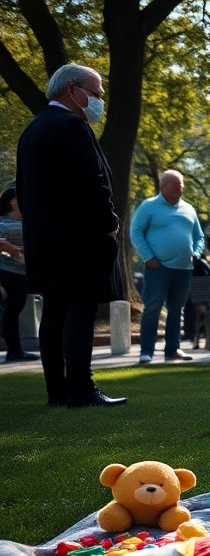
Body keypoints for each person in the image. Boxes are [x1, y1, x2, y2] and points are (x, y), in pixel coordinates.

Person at [17, 64, 125, 406]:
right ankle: (81, 387)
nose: (98, 101)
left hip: (45, 242)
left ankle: (57, 391)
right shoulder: (71, 126)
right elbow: (93, 183)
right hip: (79, 240)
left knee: (54, 313)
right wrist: (108, 222)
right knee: (81, 312)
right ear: (71, 90)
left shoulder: (33, 130)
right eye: (94, 93)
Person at [130, 170, 204, 365]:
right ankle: (146, 351)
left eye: (181, 185)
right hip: (158, 267)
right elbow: (135, 232)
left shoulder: (188, 208)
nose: (180, 188)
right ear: (163, 187)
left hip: (184, 268)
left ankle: (172, 349)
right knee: (153, 308)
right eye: (176, 185)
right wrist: (148, 257)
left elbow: (199, 237)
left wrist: (195, 254)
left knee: (176, 309)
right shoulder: (149, 206)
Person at [0, 187, 36, 362]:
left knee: (12, 313)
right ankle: (14, 352)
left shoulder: (25, 222)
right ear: (13, 201)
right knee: (11, 313)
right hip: (10, 274)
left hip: (20, 274)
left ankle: (15, 351)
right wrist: (15, 250)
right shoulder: (5, 224)